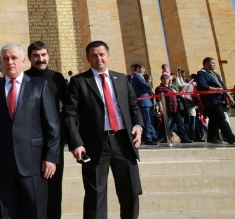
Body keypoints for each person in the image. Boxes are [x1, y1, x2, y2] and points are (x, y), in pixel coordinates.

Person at [63, 40, 143, 219]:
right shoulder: (79, 81)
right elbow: (68, 115)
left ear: (108, 56)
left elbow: (133, 107)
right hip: (95, 144)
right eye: (94, 55)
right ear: (88, 58)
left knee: (131, 191)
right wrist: (76, 143)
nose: (98, 58)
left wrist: (138, 126)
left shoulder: (121, 79)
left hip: (124, 141)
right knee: (95, 196)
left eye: (101, 54)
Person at [0, 43, 60, 219]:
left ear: (23, 60)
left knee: (35, 212)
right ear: (1, 62)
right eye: (6, 59)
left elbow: (52, 126)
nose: (10, 62)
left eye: (14, 58)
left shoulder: (39, 86)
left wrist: (51, 157)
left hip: (34, 164)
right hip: (3, 166)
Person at [21, 41, 66, 219]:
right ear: (29, 58)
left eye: (43, 55)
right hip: (30, 141)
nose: (40, 59)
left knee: (54, 188)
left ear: (48, 56)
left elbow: (68, 108)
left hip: (53, 140)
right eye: (36, 56)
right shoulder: (24, 78)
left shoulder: (57, 78)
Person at [196, 57, 235, 144]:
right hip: (211, 101)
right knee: (221, 118)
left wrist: (229, 96)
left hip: (219, 99)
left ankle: (212, 137)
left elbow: (223, 86)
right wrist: (216, 89)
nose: (215, 65)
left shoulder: (215, 74)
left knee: (214, 119)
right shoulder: (202, 74)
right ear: (206, 63)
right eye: (212, 63)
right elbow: (202, 85)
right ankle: (230, 137)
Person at [154, 74, 193, 144]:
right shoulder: (159, 88)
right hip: (167, 109)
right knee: (165, 124)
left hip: (175, 108)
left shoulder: (171, 88)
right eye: (163, 79)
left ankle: (184, 138)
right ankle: (162, 137)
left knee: (180, 124)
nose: (165, 80)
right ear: (161, 80)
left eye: (166, 79)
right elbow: (158, 99)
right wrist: (161, 107)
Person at [131, 63, 157, 145]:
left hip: (145, 101)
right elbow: (145, 86)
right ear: (138, 69)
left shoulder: (139, 76)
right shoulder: (137, 76)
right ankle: (148, 138)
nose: (144, 70)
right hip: (143, 102)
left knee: (149, 120)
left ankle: (152, 136)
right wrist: (149, 88)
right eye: (143, 68)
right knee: (147, 120)